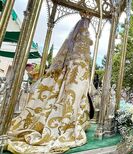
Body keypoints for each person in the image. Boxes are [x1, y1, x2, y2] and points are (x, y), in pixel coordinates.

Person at [7, 17, 93, 153]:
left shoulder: (84, 42)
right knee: (69, 100)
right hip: (75, 73)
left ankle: (72, 121)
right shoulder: (76, 42)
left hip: (80, 74)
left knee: (75, 100)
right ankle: (65, 123)